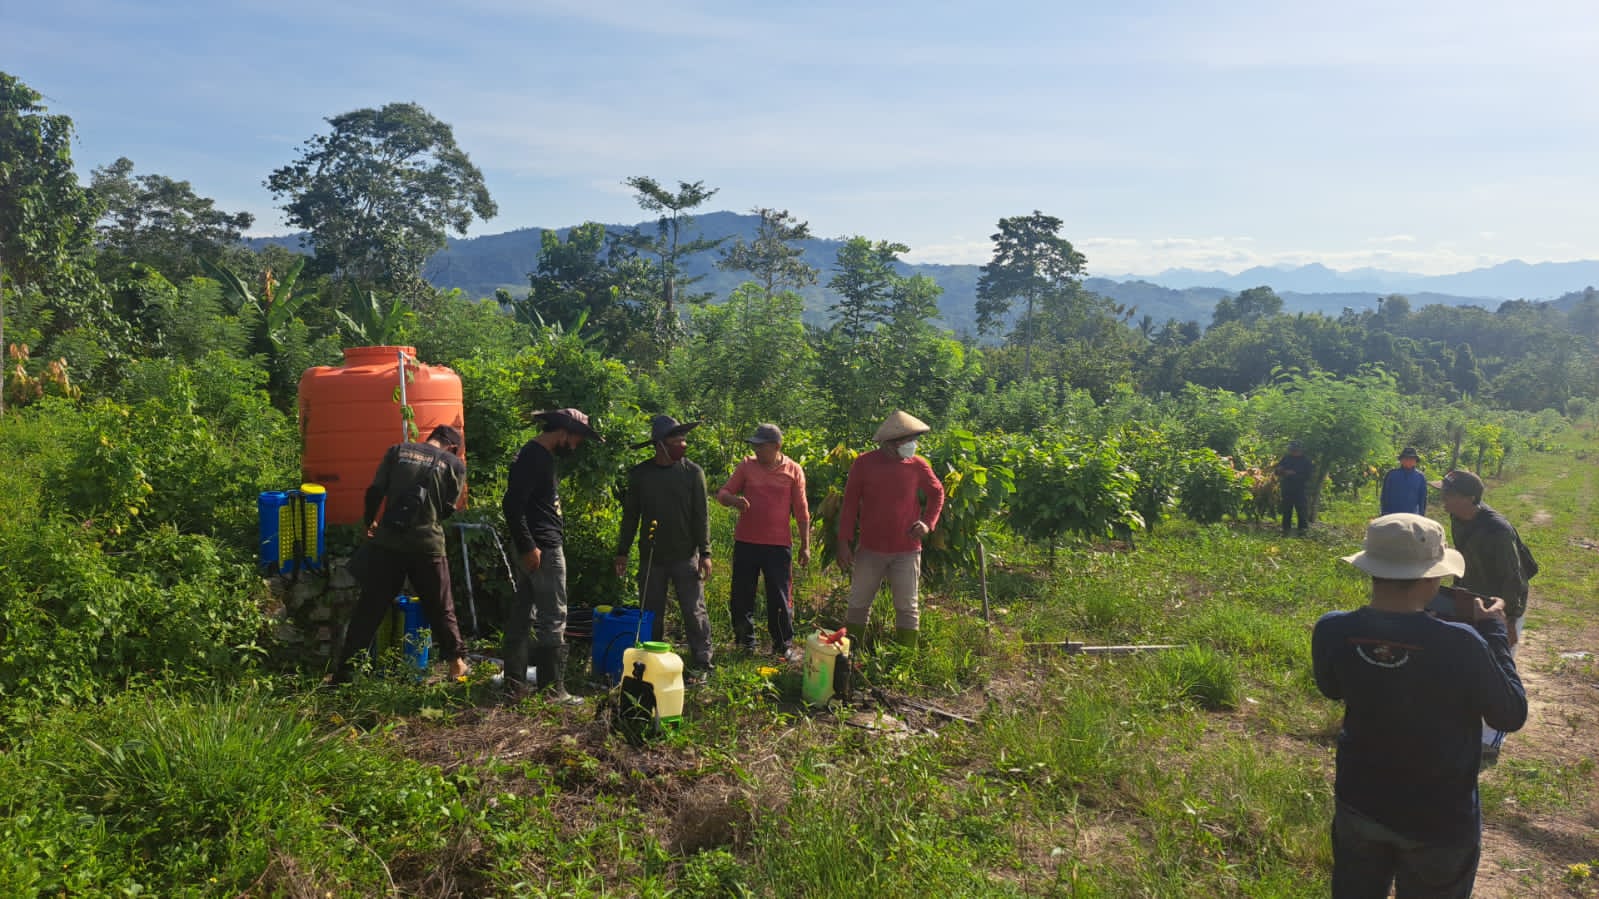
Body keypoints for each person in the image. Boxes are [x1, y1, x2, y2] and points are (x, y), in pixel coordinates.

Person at [1313, 513, 1525, 898]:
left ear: (1371, 568)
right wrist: (1494, 631)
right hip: (1439, 818)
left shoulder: (1332, 628)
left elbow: (1331, 688)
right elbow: (1509, 714)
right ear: (1432, 578)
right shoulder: (1462, 642)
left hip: (1360, 801)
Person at [332, 424, 471, 684]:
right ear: (452, 447)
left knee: (369, 609)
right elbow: (448, 509)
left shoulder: (398, 451)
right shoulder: (454, 464)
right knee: (441, 607)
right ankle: (457, 665)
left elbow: (375, 491)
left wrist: (370, 521)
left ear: (430, 437)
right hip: (427, 545)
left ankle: (344, 675)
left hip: (388, 543)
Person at [500, 408, 602, 703]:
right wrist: (528, 546)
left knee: (523, 613)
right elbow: (512, 505)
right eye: (577, 439)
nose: (577, 445)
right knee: (553, 616)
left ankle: (515, 684)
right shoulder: (535, 457)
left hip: (535, 545)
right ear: (564, 432)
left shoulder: (535, 455)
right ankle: (552, 690)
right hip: (541, 547)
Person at [1435, 468, 1530, 765]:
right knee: (1466, 659)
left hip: (1500, 605)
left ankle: (1490, 741)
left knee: (1498, 667)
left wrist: (1509, 621)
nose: (1442, 499)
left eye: (1447, 494)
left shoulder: (1497, 530)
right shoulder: (1458, 517)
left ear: (1468, 498)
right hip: (1470, 597)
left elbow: (1514, 579)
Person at [614, 415, 715, 679]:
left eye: (684, 439)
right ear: (660, 445)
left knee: (694, 611)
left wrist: (705, 553)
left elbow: (701, 516)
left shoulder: (692, 473)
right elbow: (631, 516)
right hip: (652, 557)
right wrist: (622, 551)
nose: (683, 444)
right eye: (676, 440)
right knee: (651, 613)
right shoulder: (641, 475)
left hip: (685, 555)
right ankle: (652, 662)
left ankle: (703, 662)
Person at [837, 410, 945, 650]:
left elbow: (937, 492)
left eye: (914, 440)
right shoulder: (864, 463)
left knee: (907, 607)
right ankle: (853, 653)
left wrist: (927, 523)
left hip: (907, 549)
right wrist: (843, 542)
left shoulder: (918, 465)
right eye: (908, 440)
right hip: (870, 548)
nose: (913, 445)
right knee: (858, 603)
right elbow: (850, 504)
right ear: (890, 443)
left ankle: (904, 660)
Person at [716, 423, 811, 660]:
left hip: (778, 545)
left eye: (761, 446)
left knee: (779, 596)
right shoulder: (747, 466)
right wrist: (734, 501)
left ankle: (782, 644)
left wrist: (805, 545)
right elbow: (723, 493)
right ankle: (744, 642)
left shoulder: (793, 470)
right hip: (746, 542)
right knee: (741, 595)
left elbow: (802, 511)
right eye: (755, 446)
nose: (756, 450)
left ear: (776, 446)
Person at [1274, 440, 1313, 536]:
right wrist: (1280, 470)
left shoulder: (1306, 461)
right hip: (1287, 488)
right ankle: (1286, 529)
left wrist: (1294, 474)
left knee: (1301, 510)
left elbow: (1308, 476)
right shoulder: (1286, 458)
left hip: (1300, 489)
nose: (1293, 452)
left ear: (1300, 450)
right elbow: (1277, 471)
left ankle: (1302, 530)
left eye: (1295, 450)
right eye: (1291, 450)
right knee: (1287, 509)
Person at [1379, 447, 1428, 517]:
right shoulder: (1391, 475)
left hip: (1412, 515)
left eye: (1411, 459)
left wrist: (1421, 515)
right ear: (1401, 460)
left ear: (1415, 461)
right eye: (1406, 458)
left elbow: (1423, 499)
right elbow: (1385, 496)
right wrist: (1384, 513)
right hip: (1392, 514)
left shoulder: (1420, 477)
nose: (1409, 461)